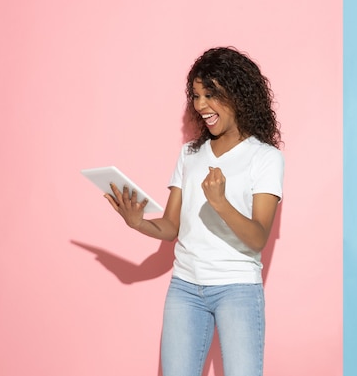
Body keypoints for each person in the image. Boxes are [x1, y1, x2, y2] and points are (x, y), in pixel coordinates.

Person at [104, 47, 284, 376]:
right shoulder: (190, 153)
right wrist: (138, 222)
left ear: (238, 94)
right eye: (197, 96)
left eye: (210, 94)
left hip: (237, 288)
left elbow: (258, 237)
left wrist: (220, 203)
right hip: (185, 287)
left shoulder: (265, 157)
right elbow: (171, 227)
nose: (201, 106)